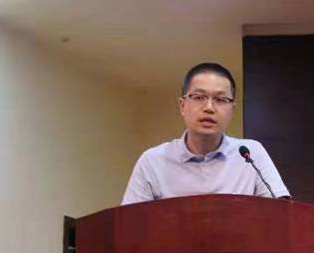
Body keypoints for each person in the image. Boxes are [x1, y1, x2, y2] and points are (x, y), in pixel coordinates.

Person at [122, 62, 290, 205]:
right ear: (182, 106)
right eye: (199, 97)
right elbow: (132, 224)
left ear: (231, 110)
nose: (209, 108)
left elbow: (281, 215)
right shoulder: (152, 161)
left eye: (220, 99)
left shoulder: (251, 154)